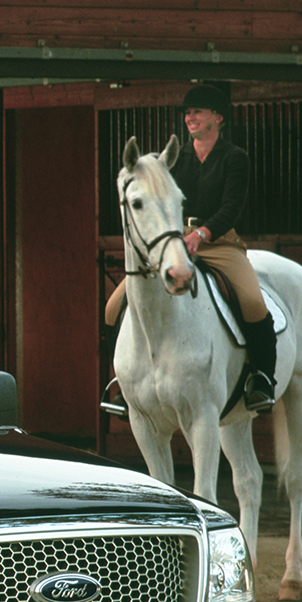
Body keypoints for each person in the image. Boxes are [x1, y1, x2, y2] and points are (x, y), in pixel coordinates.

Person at [104, 82, 275, 416]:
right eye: (187, 113)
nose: (190, 118)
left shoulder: (234, 158)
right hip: (175, 241)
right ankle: (124, 383)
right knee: (113, 307)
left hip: (219, 243)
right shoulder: (173, 160)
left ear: (217, 117)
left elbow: (231, 207)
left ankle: (262, 377)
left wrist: (202, 233)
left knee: (254, 303)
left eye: (197, 112)